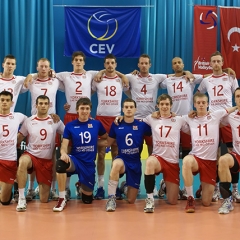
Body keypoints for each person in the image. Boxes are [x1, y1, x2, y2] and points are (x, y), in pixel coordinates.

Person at [182, 92, 237, 213]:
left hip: (210, 162)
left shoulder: (215, 115)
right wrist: (157, 113)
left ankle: (203, 186)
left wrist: (238, 106)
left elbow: (230, 109)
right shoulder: (189, 118)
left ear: (207, 104)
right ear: (194, 104)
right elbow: (173, 118)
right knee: (186, 161)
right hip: (196, 158)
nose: (201, 105)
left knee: (206, 203)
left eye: (203, 103)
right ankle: (190, 198)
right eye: (198, 103)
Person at [197, 51, 239, 202]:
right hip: (213, 121)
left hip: (228, 121)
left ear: (222, 63)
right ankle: (215, 189)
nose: (215, 64)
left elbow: (237, 94)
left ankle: (234, 189)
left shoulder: (230, 77)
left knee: (232, 155)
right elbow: (198, 95)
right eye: (213, 61)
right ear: (210, 64)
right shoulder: (206, 81)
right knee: (214, 156)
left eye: (218, 61)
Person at [53, 97, 107, 212]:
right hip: (76, 160)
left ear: (90, 110)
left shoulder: (96, 124)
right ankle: (62, 198)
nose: (84, 111)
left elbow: (106, 139)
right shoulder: (70, 125)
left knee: (87, 200)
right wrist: (63, 153)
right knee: (61, 163)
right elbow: (64, 144)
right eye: (82, 108)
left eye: (87, 108)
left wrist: (95, 142)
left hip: (88, 164)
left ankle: (80, 185)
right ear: (77, 110)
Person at [23, 58, 64, 201]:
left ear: (49, 68)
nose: (44, 69)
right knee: (32, 153)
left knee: (51, 155)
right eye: (41, 66)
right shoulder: (32, 81)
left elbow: (71, 84)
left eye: (46, 66)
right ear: (37, 67)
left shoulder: (55, 80)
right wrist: (31, 75)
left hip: (51, 121)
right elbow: (20, 83)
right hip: (35, 121)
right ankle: (30, 188)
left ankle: (53, 188)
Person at [16, 95, 64, 212]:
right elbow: (20, 137)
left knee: (44, 200)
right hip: (31, 156)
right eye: (40, 103)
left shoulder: (55, 120)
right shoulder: (29, 121)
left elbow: (67, 134)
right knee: (22, 162)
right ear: (36, 105)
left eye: (45, 103)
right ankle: (21, 198)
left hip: (46, 161)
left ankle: (39, 188)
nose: (43, 106)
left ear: (49, 105)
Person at [143, 94, 189, 213]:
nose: (164, 107)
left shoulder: (179, 119)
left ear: (171, 106)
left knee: (173, 201)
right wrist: (119, 119)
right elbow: (135, 124)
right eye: (162, 104)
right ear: (157, 106)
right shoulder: (151, 118)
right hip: (158, 158)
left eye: (167, 104)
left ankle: (164, 185)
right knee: (149, 162)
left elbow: (192, 127)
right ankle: (150, 199)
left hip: (172, 162)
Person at [105, 98, 151, 212]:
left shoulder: (142, 125)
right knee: (116, 164)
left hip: (135, 162)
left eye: (131, 107)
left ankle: (124, 186)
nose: (129, 109)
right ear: (122, 109)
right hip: (123, 159)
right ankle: (111, 198)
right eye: (126, 107)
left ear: (135, 109)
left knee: (131, 200)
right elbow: (108, 143)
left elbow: (156, 126)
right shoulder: (116, 124)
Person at [92, 54, 127, 200]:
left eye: (112, 63)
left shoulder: (122, 80)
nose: (110, 65)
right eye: (107, 63)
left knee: (115, 153)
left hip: (116, 118)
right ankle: (100, 187)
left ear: (116, 64)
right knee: (100, 154)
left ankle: (115, 187)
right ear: (104, 64)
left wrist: (122, 75)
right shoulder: (98, 79)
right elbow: (86, 93)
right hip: (101, 118)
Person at [0, 91, 27, 205]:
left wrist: (20, 136)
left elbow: (33, 121)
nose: (5, 102)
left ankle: (9, 192)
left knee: (5, 201)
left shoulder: (18, 116)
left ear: (12, 103)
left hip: (9, 160)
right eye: (2, 100)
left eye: (7, 100)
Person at [218, 87, 240, 214]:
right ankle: (227, 200)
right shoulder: (231, 117)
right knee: (223, 160)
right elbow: (215, 121)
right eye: (237, 96)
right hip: (238, 155)